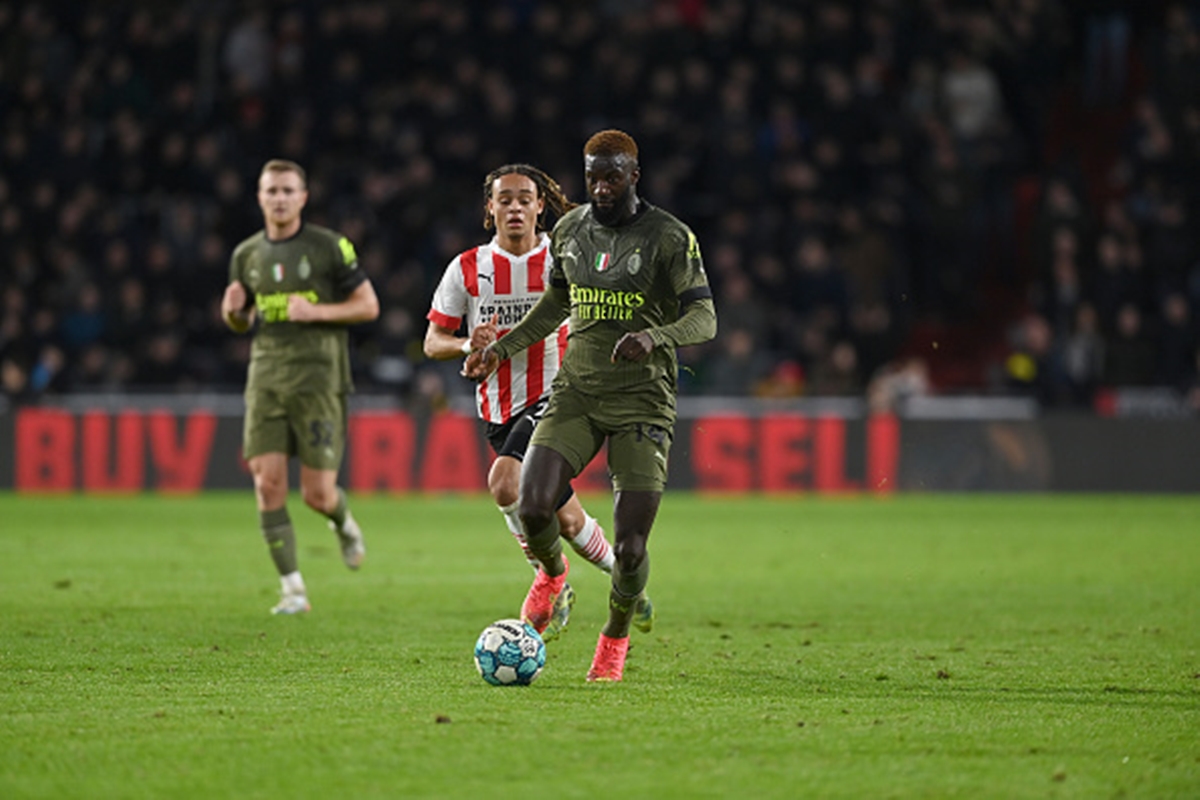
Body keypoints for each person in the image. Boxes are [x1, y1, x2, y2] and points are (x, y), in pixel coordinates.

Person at [465, 131, 717, 681]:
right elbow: (557, 300)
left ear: (634, 176)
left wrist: (655, 337)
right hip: (576, 392)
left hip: (642, 402)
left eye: (612, 177)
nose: (600, 188)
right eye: (592, 178)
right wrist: (500, 349)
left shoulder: (669, 236)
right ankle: (553, 577)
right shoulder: (571, 231)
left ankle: (615, 636)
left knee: (630, 550)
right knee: (531, 504)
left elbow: (705, 318)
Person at [424, 163, 652, 641]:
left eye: (524, 198)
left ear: (539, 206)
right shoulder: (467, 268)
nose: (514, 207)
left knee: (504, 483)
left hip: (562, 395)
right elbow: (433, 341)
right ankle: (624, 579)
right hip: (498, 409)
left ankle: (550, 579)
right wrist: (470, 346)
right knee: (565, 520)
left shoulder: (566, 256)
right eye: (503, 199)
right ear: (490, 208)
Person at [221, 159, 380, 615]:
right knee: (267, 483)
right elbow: (241, 319)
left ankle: (343, 522)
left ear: (303, 197)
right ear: (259, 196)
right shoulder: (246, 254)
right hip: (267, 380)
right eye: (271, 190)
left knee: (317, 495)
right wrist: (232, 312)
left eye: (288, 190)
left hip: (319, 382)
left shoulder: (329, 247)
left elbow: (369, 306)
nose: (279, 198)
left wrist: (318, 313)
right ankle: (293, 590)